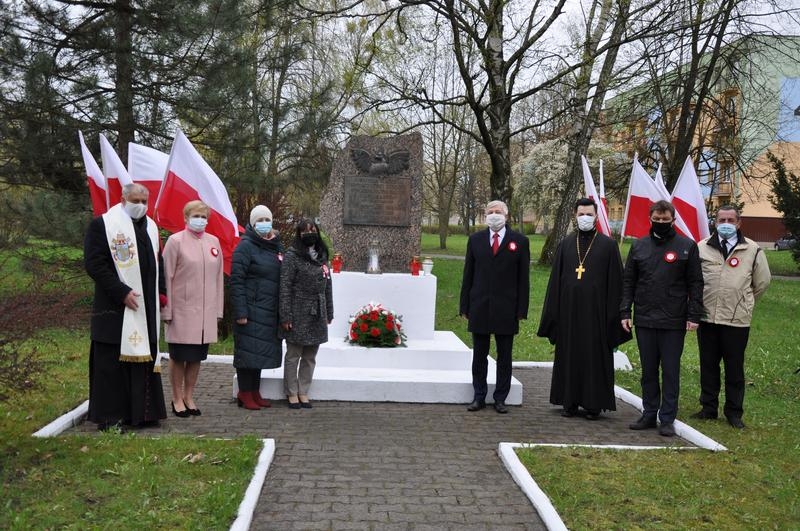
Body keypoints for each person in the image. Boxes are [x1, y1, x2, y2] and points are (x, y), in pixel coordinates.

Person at [84, 183, 167, 431]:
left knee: (143, 358)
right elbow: (95, 264)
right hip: (114, 307)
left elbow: (158, 263)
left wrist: (162, 292)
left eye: (144, 201)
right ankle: (111, 417)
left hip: (145, 305)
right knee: (111, 364)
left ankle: (142, 413)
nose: (140, 205)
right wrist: (121, 292)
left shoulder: (151, 227)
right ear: (123, 199)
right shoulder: (103, 225)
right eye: (135, 200)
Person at [538, 198, 630, 420]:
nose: (585, 218)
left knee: (594, 357)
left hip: (596, 314)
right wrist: (553, 314)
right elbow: (555, 282)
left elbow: (616, 283)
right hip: (569, 313)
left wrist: (617, 314)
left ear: (596, 216)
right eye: (581, 214)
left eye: (589, 214)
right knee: (569, 355)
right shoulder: (565, 244)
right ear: (575, 215)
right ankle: (568, 402)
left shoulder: (608, 246)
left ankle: (593, 404)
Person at [620, 200, 704, 437]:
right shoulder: (639, 246)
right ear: (650, 219)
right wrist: (625, 311)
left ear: (673, 220)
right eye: (656, 219)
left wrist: (694, 314)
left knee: (670, 371)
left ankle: (667, 418)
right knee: (648, 371)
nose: (660, 223)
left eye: (665, 220)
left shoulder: (687, 246)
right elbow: (628, 281)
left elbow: (695, 283)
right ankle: (649, 413)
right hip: (645, 318)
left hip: (673, 320)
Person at [694, 205, 771, 429]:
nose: (725, 224)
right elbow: (694, 280)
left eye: (730, 220)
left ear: (738, 223)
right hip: (707, 318)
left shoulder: (753, 249)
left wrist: (745, 302)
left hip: (737, 321)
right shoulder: (701, 247)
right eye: (721, 220)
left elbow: (762, 282)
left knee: (734, 368)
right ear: (715, 223)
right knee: (708, 365)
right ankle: (708, 408)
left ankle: (734, 412)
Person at [460, 200, 530, 414]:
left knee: (504, 356)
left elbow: (523, 279)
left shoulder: (520, 241)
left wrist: (521, 310)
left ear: (506, 215)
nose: (494, 215)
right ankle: (479, 396)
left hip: (507, 307)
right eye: (490, 212)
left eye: (498, 211)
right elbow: (468, 274)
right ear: (485, 216)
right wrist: (464, 306)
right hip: (480, 305)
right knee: (479, 355)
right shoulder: (475, 240)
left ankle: (500, 398)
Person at [161, 200, 224, 418]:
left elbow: (218, 279)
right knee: (179, 356)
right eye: (196, 216)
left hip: (205, 313)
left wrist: (218, 310)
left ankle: (189, 396)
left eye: (204, 216)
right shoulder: (175, 241)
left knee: (196, 357)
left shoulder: (213, 242)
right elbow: (166, 277)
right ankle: (176, 398)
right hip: (181, 311)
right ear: (186, 218)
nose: (200, 220)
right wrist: (166, 311)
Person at [230, 205, 283, 410]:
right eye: (259, 220)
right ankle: (244, 393)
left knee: (258, 352)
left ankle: (254, 391)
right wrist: (241, 311)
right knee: (247, 352)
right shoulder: (245, 246)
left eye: (267, 219)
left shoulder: (275, 247)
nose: (264, 223)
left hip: (268, 310)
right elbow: (236, 280)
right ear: (252, 224)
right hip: (250, 310)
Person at [279, 219, 333, 409]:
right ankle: (291, 392)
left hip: (317, 312)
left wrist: (329, 312)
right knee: (294, 354)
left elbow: (328, 285)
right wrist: (286, 316)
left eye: (312, 230)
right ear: (298, 234)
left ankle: (303, 391)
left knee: (310, 355)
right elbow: (285, 286)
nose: (309, 234)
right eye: (304, 231)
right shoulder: (292, 255)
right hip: (297, 310)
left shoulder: (322, 255)